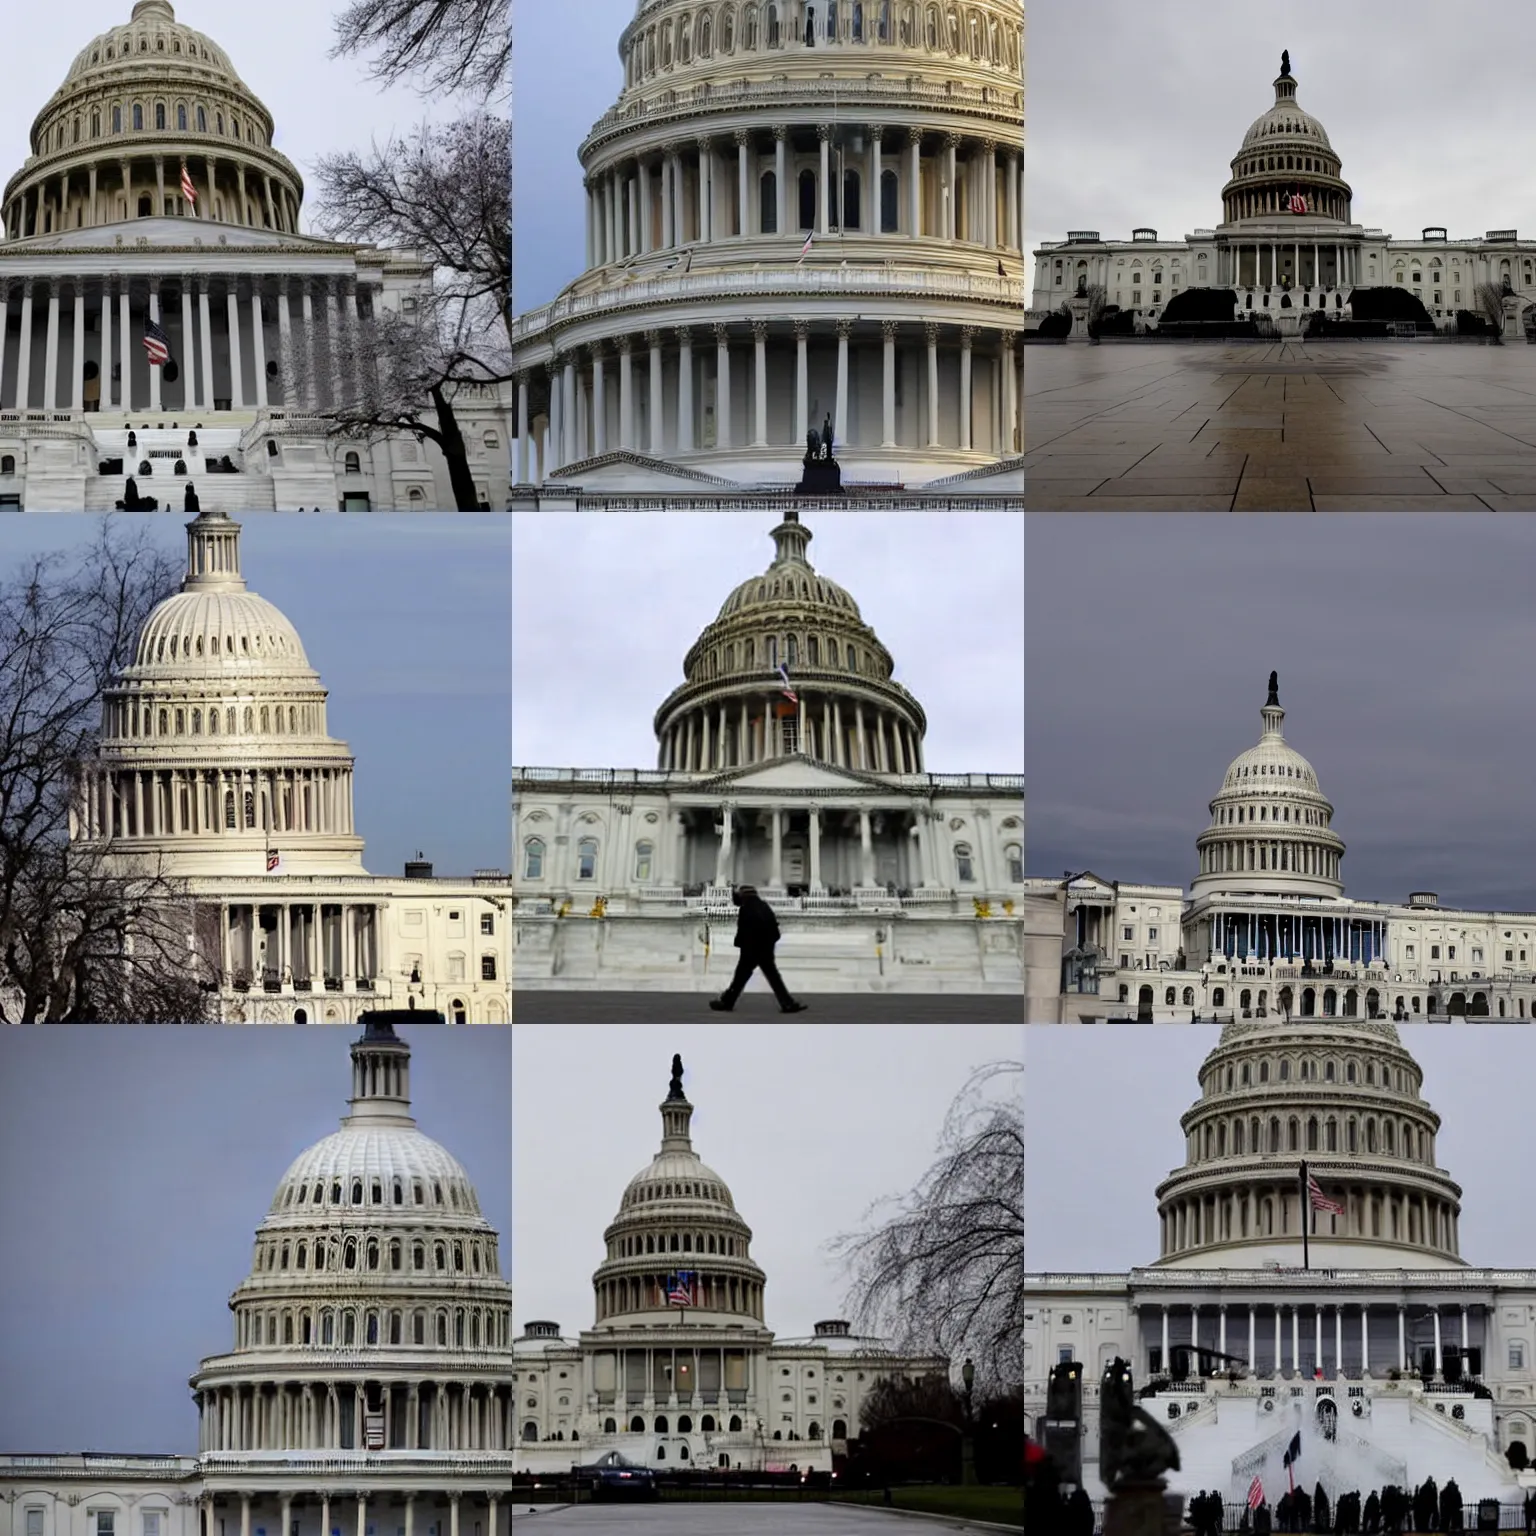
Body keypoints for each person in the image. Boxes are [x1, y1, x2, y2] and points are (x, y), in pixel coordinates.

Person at [709, 885, 807, 1012]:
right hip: (765, 950)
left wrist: (742, 945)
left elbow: (743, 931)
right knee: (773, 978)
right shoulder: (764, 907)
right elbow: (775, 931)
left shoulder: (746, 909)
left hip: (750, 952)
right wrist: (768, 945)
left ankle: (727, 1002)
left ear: (744, 896)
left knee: (740, 979)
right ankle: (787, 1003)